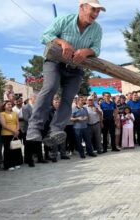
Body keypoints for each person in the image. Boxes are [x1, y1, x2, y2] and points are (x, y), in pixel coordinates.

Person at [26, 0, 105, 148]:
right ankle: (34, 127)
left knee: (68, 98)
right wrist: (62, 42)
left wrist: (86, 51)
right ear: (82, 7)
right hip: (54, 62)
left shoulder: (97, 29)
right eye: (93, 9)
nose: (96, 14)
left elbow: (96, 48)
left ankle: (55, 130)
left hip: (76, 68)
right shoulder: (64, 20)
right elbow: (45, 35)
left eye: (98, 11)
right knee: (50, 87)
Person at [0, 101, 23, 171]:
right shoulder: (2, 114)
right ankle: (9, 164)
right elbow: (4, 125)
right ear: (4, 106)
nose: (10, 105)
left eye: (11, 104)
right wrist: (14, 131)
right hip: (7, 134)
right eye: (8, 104)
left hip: (16, 133)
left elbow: (17, 123)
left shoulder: (15, 113)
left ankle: (16, 163)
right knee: (8, 149)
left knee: (16, 148)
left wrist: (17, 130)